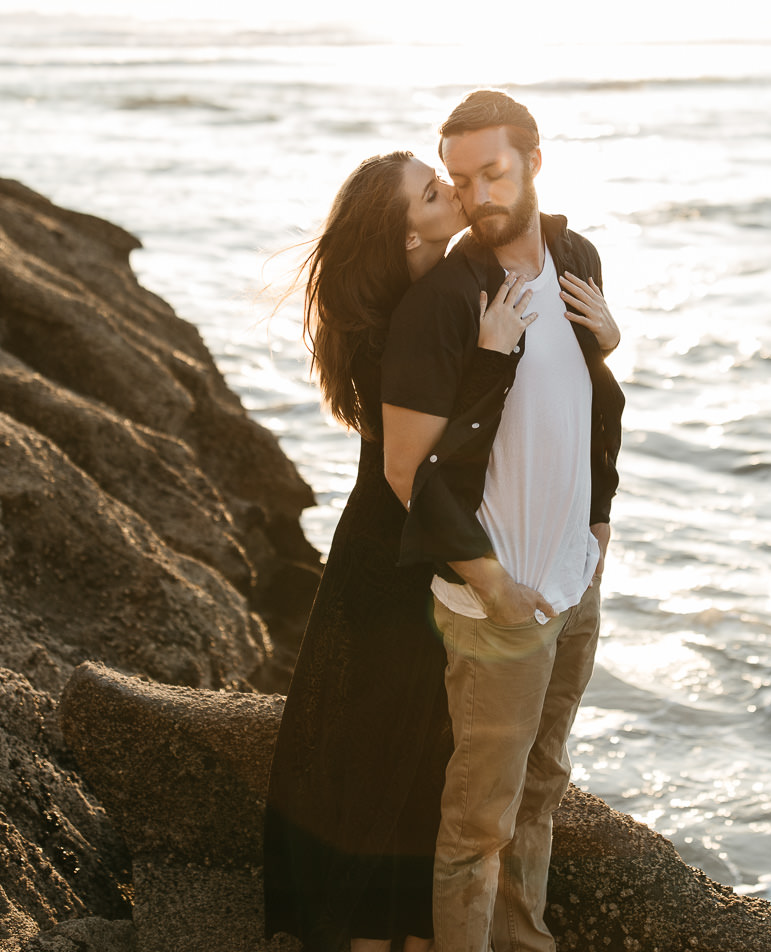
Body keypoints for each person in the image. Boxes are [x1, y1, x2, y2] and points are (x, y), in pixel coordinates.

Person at [264, 149, 539, 952]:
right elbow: (425, 465)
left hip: (401, 547)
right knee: (386, 756)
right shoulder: (399, 328)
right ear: (405, 233)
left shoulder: (423, 296)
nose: (452, 190)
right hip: (394, 558)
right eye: (432, 190)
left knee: (412, 751)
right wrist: (491, 358)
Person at [382, 91, 625, 952]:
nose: (478, 196)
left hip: (572, 580)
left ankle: (525, 943)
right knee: (478, 824)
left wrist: (598, 520)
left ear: (532, 161)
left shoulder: (577, 255)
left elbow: (587, 401)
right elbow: (405, 470)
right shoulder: (447, 300)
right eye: (460, 180)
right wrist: (494, 583)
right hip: (497, 601)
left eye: (493, 172)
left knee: (545, 784)